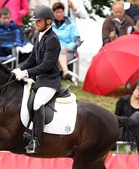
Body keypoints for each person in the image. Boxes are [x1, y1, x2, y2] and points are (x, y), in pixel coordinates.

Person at [11, 5, 61, 154]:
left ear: (48, 22)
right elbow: (33, 58)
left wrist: (26, 72)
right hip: (39, 79)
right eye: (35, 21)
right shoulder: (38, 35)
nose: (36, 23)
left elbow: (46, 65)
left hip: (50, 81)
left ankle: (36, 140)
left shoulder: (53, 40)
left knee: (37, 103)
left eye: (39, 21)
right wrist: (19, 69)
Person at [52, 2, 81, 80]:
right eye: (56, 12)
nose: (58, 14)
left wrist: (69, 47)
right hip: (53, 49)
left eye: (60, 12)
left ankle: (64, 71)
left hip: (68, 50)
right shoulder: (49, 24)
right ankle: (65, 72)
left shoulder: (71, 24)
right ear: (53, 13)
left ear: (63, 12)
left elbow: (77, 40)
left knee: (60, 51)